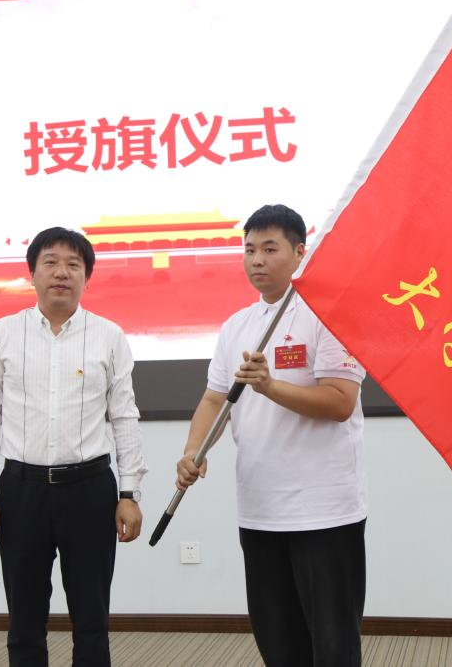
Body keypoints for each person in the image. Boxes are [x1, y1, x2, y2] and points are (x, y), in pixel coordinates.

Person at [176, 204, 368, 666]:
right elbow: (214, 400)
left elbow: (339, 402)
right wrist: (193, 451)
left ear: (300, 252)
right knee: (278, 644)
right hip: (260, 510)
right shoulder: (237, 326)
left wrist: (269, 386)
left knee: (333, 646)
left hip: (324, 512)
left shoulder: (329, 314)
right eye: (249, 250)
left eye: (269, 248)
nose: (257, 260)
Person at [0, 227, 147, 667]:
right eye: (50, 262)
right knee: (24, 618)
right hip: (21, 490)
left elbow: (124, 417)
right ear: (32, 273)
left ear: (87, 276)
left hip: (90, 490)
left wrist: (129, 494)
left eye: (73, 264)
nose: (61, 273)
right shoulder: (1, 334)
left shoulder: (109, 336)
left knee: (91, 618)